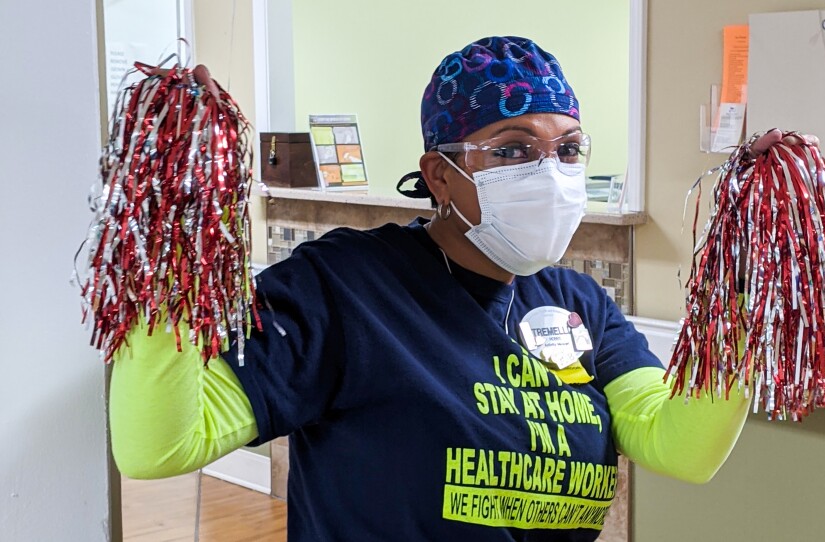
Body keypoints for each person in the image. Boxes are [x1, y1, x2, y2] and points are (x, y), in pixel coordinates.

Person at [111, 36, 757, 541]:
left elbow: (680, 444)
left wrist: (748, 285)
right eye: (511, 150)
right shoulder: (345, 288)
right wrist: (173, 229)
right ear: (440, 177)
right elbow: (162, 445)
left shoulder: (578, 304)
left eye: (567, 150)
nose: (551, 174)